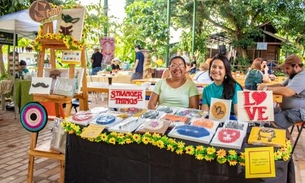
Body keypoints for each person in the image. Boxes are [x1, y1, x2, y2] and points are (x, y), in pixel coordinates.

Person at [257, 54, 305, 129]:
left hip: (299, 112)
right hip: (289, 109)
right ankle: (285, 135)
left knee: (268, 124)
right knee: (262, 115)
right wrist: (264, 86)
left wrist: (266, 88)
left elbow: (288, 92)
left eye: (287, 68)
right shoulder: (294, 75)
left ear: (296, 66)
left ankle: (284, 137)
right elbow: (281, 85)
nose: (286, 71)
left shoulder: (303, 76)